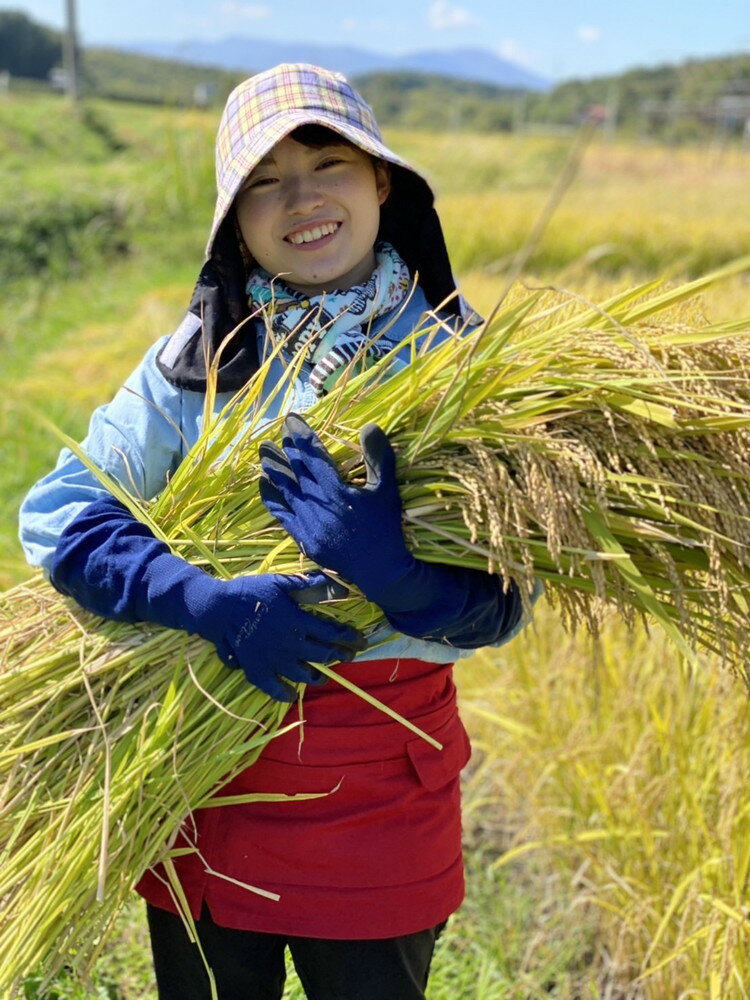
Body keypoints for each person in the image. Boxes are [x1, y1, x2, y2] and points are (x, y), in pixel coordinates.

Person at [19, 64, 528, 1000]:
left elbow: (506, 604)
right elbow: (60, 513)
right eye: (263, 179)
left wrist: (404, 580)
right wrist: (203, 601)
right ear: (233, 218)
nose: (301, 199)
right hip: (209, 777)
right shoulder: (197, 364)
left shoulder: (465, 368)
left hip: (383, 788)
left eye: (328, 162)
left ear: (382, 181)